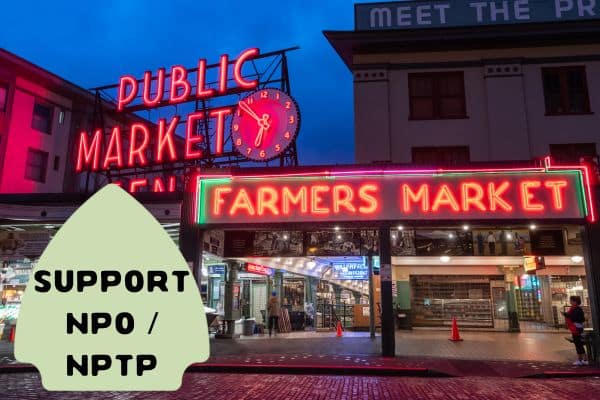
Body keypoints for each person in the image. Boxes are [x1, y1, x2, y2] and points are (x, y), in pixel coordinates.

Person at [563, 295, 588, 366]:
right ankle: (580, 359)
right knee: (577, 344)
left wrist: (567, 315)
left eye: (571, 300)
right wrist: (566, 315)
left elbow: (578, 318)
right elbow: (572, 317)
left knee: (578, 344)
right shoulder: (573, 308)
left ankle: (584, 359)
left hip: (577, 328)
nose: (570, 302)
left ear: (575, 301)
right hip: (575, 328)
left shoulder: (577, 309)